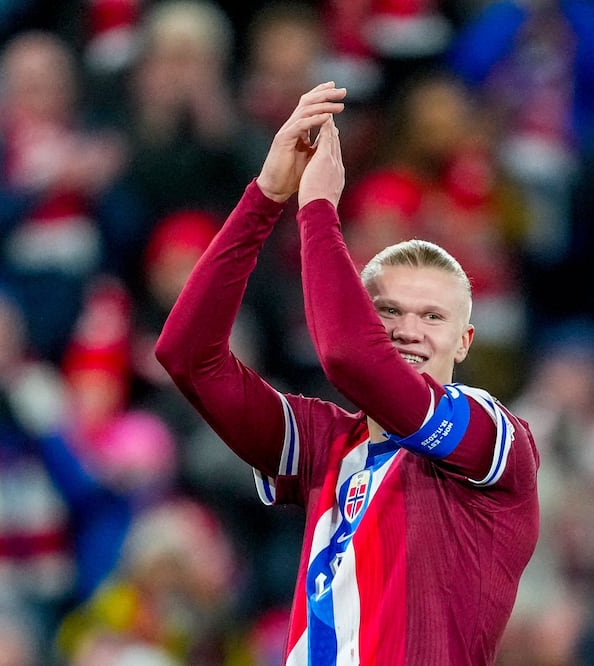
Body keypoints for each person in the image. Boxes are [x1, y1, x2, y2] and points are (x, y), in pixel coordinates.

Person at [155, 82, 540, 664]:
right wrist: (265, 197)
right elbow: (188, 356)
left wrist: (317, 210)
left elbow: (349, 358)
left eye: (432, 315)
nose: (408, 328)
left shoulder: (491, 438)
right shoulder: (324, 443)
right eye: (387, 311)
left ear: (464, 342)